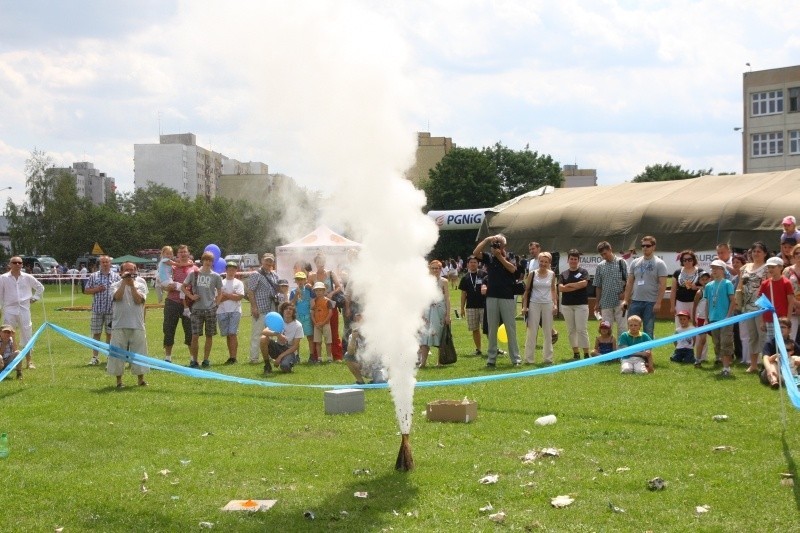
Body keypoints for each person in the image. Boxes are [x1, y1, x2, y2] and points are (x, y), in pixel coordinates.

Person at [473, 234, 522, 368]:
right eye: (494, 244)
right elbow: (475, 253)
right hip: (492, 296)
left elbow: (512, 269)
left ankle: (516, 359)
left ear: (504, 245)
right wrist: (487, 240)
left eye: (499, 243)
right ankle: (491, 359)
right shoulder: (489, 257)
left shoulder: (510, 256)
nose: (496, 246)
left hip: (507, 296)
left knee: (510, 327)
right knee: (492, 328)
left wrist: (500, 256)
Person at [107, 262, 149, 388]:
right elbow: (117, 297)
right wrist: (125, 284)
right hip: (119, 324)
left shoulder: (141, 285)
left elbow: (139, 300)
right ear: (121, 272)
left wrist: (132, 287)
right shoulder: (114, 285)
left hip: (137, 324)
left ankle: (140, 380)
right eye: (127, 270)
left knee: (139, 352)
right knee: (117, 354)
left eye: (132, 270)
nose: (129, 273)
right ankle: (119, 381)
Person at [0, 256, 44, 369]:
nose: (17, 264)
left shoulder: (28, 277)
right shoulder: (3, 278)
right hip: (9, 310)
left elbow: (40, 287)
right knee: (7, 335)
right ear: (10, 264)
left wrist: (35, 298)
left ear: (22, 264)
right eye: (14, 262)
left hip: (24, 309)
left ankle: (29, 361)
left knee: (27, 335)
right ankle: (7, 361)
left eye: (20, 262)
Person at [694, 260, 736, 376]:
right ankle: (721, 361)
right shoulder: (708, 286)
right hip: (713, 319)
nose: (714, 271)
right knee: (716, 342)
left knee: (725, 342)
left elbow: (733, 301)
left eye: (717, 268)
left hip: (725, 319)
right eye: (712, 268)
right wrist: (707, 318)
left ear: (723, 270)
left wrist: (728, 316)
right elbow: (707, 303)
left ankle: (726, 368)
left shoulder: (727, 283)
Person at [622, 235, 668, 339]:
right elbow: (629, 282)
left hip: (650, 302)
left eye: (648, 245)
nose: (645, 248)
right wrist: (625, 300)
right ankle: (631, 354)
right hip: (635, 301)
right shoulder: (635, 262)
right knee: (631, 329)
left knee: (648, 330)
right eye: (643, 245)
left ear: (653, 247)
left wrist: (658, 302)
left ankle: (647, 354)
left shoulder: (660, 263)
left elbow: (663, 284)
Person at [183, 251, 223, 368]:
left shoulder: (216, 276)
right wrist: (191, 296)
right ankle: (194, 360)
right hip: (196, 309)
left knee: (209, 335)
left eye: (210, 260)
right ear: (202, 260)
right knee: (195, 335)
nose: (208, 262)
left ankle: (206, 359)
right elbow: (183, 287)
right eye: (206, 260)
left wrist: (216, 304)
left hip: (210, 309)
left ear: (212, 262)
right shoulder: (194, 274)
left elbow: (220, 292)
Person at [736, 242, 770, 373]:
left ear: (765, 254)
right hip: (747, 307)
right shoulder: (745, 268)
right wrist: (738, 302)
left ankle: (765, 364)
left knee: (763, 336)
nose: (756, 254)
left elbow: (768, 286)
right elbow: (740, 286)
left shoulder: (767, 268)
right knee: (752, 336)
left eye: (759, 251)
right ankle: (753, 364)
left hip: (761, 307)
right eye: (754, 251)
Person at [83, 255, 121, 366]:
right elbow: (86, 290)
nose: (105, 264)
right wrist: (97, 289)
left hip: (111, 310)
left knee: (110, 334)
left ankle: (110, 355)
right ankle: (95, 357)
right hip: (97, 310)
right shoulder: (94, 276)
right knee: (96, 333)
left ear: (110, 263)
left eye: (107, 262)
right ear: (100, 263)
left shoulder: (116, 277)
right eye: (103, 262)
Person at [162, 245, 196, 363]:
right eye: (180, 252)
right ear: (177, 254)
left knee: (190, 331)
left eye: (185, 252)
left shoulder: (194, 268)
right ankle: (167, 358)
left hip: (189, 303)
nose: (183, 254)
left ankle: (193, 358)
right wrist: (167, 288)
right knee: (168, 329)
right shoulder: (171, 267)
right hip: (172, 301)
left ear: (188, 253)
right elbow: (162, 282)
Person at [308, 253, 344, 361]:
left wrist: (331, 293)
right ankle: (316, 357)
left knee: (333, 330)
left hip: (329, 303)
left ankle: (336, 356)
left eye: (322, 261)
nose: (321, 264)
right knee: (317, 330)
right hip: (317, 306)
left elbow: (339, 286)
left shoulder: (330, 273)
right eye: (318, 262)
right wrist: (309, 286)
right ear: (315, 263)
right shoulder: (312, 275)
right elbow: (308, 286)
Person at [417, 260, 451, 368]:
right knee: (424, 337)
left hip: (440, 311)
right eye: (433, 268)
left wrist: (448, 315)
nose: (435, 270)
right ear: (429, 269)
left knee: (440, 336)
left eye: (438, 268)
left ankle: (440, 362)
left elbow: (447, 298)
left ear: (441, 269)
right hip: (426, 311)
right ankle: (423, 362)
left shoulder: (444, 281)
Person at [247, 253, 280, 364]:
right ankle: (254, 358)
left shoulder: (275, 275)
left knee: (271, 334)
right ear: (262, 260)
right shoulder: (256, 274)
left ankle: (271, 355)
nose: (268, 263)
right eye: (267, 260)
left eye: (270, 261)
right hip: (260, 308)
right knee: (257, 334)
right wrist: (254, 307)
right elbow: (250, 291)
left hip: (272, 309)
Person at [558, 249, 591, 359]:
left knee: (581, 329)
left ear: (578, 260)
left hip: (581, 305)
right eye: (571, 259)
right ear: (568, 260)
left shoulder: (584, 272)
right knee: (571, 330)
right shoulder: (563, 274)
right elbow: (560, 288)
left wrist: (568, 285)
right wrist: (575, 286)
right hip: (567, 305)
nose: (573, 261)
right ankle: (576, 353)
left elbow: (583, 284)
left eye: (575, 259)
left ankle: (586, 353)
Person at [593, 241, 628, 338]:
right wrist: (597, 302)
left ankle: (622, 351)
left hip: (620, 302)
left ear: (610, 250)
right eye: (601, 255)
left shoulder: (622, 262)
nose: (604, 256)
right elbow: (598, 286)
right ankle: (608, 349)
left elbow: (629, 281)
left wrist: (625, 294)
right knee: (606, 329)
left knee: (623, 328)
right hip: (605, 302)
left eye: (605, 253)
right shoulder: (600, 266)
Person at [758, 256, 796, 343]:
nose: (770, 269)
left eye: (773, 267)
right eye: (769, 267)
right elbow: (762, 303)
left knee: (783, 343)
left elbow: (791, 302)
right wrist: (762, 321)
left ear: (780, 267)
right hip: (769, 319)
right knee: (771, 343)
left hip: (782, 319)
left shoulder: (786, 283)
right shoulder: (765, 283)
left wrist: (788, 319)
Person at [260, 302, 303, 374]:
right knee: (263, 338)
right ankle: (267, 365)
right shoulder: (278, 321)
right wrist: (277, 334)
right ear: (282, 311)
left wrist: (280, 357)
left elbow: (295, 346)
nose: (288, 310)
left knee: (285, 367)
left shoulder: (298, 325)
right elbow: (264, 331)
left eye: (290, 309)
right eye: (286, 309)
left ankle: (289, 362)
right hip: (278, 347)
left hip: (289, 351)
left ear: (293, 312)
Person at [761, 317, 800, 389]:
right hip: (771, 372)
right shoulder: (770, 343)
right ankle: (774, 381)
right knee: (773, 363)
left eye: (783, 327)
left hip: (788, 371)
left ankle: (789, 380)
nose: (780, 329)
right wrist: (769, 370)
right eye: (778, 327)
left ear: (789, 330)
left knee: (796, 358)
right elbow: (765, 359)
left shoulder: (792, 344)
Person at [218, 261, 245, 365]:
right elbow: (217, 298)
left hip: (235, 311)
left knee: (232, 333)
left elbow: (239, 297)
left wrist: (225, 295)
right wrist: (231, 295)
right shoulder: (221, 283)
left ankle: (234, 357)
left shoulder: (239, 283)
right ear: (226, 270)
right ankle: (231, 356)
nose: (231, 271)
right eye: (229, 269)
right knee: (227, 335)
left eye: (234, 269)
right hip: (222, 311)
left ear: (236, 270)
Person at [459, 256, 486, 356]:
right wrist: (462, 308)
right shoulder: (465, 277)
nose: (473, 264)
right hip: (470, 307)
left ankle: (493, 348)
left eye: (475, 262)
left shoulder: (484, 274)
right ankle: (478, 349)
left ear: (478, 264)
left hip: (484, 305)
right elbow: (463, 294)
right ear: (467, 264)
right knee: (475, 329)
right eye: (471, 262)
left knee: (487, 328)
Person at [669, 250, 703, 328]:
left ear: (693, 260)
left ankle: (696, 340)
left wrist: (697, 287)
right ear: (682, 261)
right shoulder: (677, 273)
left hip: (696, 303)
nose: (687, 261)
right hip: (680, 302)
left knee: (696, 324)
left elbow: (707, 287)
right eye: (685, 260)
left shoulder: (700, 272)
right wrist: (672, 306)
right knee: (680, 324)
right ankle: (681, 340)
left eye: (689, 259)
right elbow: (673, 290)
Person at [290, 271, 316, 363]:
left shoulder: (309, 290)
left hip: (308, 317)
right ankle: (297, 356)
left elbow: (313, 303)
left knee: (310, 336)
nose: (300, 281)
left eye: (302, 279)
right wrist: (296, 295)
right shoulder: (293, 292)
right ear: (295, 281)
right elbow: (291, 305)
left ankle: (312, 356)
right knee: (297, 338)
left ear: (305, 280)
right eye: (298, 280)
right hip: (297, 317)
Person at [311, 281, 334, 362]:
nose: (318, 292)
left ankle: (329, 358)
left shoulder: (328, 301)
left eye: (320, 290)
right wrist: (315, 323)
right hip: (317, 324)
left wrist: (323, 322)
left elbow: (330, 313)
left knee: (328, 342)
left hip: (326, 324)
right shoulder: (313, 301)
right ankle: (319, 358)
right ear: (314, 292)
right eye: (316, 290)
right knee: (318, 342)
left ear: (324, 291)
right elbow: (312, 313)